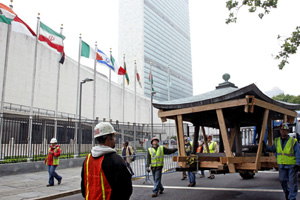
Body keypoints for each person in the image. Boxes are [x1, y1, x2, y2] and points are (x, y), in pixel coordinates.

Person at [81, 122, 132, 200]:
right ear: (109, 138)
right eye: (113, 136)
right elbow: (126, 189)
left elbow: (84, 187)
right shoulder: (116, 160)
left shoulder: (87, 159)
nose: (114, 139)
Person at [265, 123, 300, 200]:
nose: (283, 131)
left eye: (284, 130)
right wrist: (265, 147)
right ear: (280, 131)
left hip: (292, 165)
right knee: (282, 180)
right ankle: (287, 192)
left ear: (288, 131)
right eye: (281, 130)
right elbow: (273, 149)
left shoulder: (293, 141)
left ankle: (292, 197)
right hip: (282, 165)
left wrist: (298, 163)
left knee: (292, 182)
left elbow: (298, 152)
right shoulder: (277, 141)